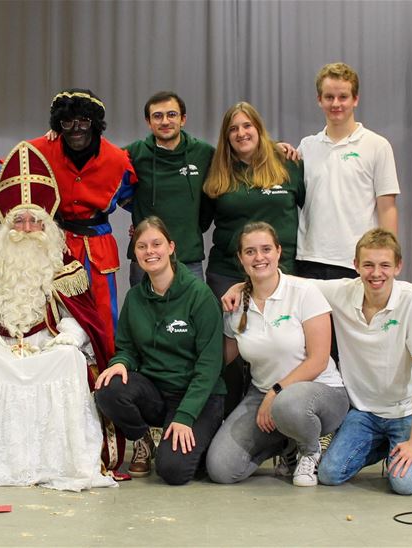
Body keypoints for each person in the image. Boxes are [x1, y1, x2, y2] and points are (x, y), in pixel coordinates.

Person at [0, 142, 121, 491]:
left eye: (35, 221)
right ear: (6, 224)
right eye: (20, 220)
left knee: (69, 359)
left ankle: (63, 462)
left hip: (47, 346)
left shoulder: (65, 267)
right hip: (0, 346)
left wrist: (69, 337)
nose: (28, 228)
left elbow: (81, 316)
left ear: (47, 227)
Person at [222, 228, 412, 494]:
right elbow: (275, 278)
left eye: (385, 265)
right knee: (329, 474)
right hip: (365, 412)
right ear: (355, 266)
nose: (376, 273)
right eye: (368, 265)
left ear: (398, 267)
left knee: (404, 484)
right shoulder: (343, 292)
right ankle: (387, 445)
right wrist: (241, 285)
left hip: (405, 409)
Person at [205, 222, 349, 487]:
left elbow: (318, 360)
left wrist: (276, 393)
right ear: (240, 258)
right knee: (221, 469)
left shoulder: (305, 293)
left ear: (279, 251)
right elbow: (222, 357)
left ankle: (310, 449)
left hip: (320, 392)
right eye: (250, 252)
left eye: (266, 249)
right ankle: (286, 445)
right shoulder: (236, 304)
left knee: (288, 404)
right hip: (263, 394)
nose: (259, 257)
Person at [94, 217, 225, 485]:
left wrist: (186, 416)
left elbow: (210, 365)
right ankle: (143, 439)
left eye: (156, 244)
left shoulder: (199, 296)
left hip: (196, 395)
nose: (150, 251)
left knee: (173, 472)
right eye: (142, 246)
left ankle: (205, 437)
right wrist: (120, 362)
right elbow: (127, 348)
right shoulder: (135, 298)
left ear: (171, 247)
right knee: (108, 388)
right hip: (155, 392)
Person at [203, 101, 305, 416]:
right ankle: (233, 418)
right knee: (231, 350)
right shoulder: (217, 172)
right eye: (233, 129)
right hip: (227, 273)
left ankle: (288, 422)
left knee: (283, 346)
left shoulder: (288, 164)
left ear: (258, 129)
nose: (241, 133)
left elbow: (310, 209)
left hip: (281, 272)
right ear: (226, 136)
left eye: (247, 126)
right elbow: (199, 222)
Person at [30, 88, 137, 352]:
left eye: (84, 121)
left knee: (103, 313)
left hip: (97, 246)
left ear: (95, 123)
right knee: (51, 307)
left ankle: (105, 371)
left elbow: (137, 198)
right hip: (56, 242)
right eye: (67, 122)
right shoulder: (41, 150)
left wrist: (144, 227)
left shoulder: (118, 160)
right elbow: (12, 169)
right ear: (58, 124)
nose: (76, 128)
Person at [296, 62, 400, 280]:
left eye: (343, 97)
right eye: (329, 97)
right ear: (319, 100)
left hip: (357, 262)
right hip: (308, 260)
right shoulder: (306, 147)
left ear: (355, 99)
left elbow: (387, 209)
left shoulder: (377, 146)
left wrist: (385, 261)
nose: (336, 104)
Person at [124, 91, 216, 285]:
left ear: (183, 119)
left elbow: (240, 154)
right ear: (149, 122)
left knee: (193, 315)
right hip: (146, 260)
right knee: (144, 315)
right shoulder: (134, 153)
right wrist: (58, 137)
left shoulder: (204, 152)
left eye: (171, 115)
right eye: (157, 116)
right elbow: (97, 159)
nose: (165, 121)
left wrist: (276, 148)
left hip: (189, 259)